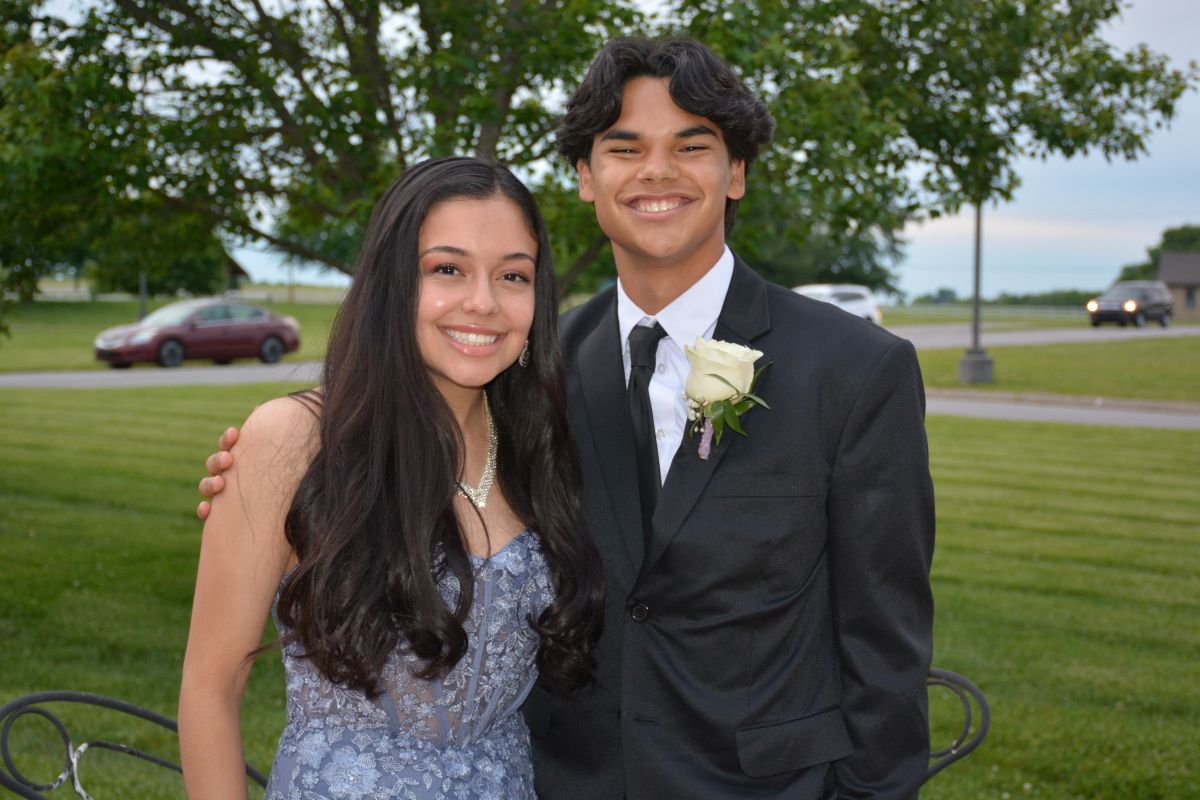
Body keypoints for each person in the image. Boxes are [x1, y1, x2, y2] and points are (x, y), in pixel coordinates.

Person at [200, 37, 935, 799]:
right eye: (625, 148)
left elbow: (886, 645)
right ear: (586, 176)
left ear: (737, 172)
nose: (657, 171)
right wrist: (263, 481)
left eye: (692, 146)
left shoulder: (854, 371)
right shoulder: (531, 370)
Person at [179, 156, 603, 800]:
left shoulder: (542, 447)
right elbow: (212, 687)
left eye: (513, 275)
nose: (483, 302)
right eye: (447, 269)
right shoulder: (294, 440)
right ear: (391, 283)